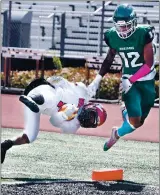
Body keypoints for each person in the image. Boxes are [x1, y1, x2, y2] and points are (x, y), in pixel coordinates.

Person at [87, 3, 156, 151]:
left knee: (137, 123)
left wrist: (131, 79)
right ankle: (125, 111)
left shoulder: (144, 34)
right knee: (134, 122)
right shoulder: (112, 36)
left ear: (134, 22)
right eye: (120, 26)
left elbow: (148, 64)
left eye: (126, 26)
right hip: (128, 81)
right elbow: (109, 58)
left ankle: (116, 133)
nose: (123, 29)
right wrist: (97, 79)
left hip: (146, 80)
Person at [1, 76, 107, 164]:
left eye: (91, 123)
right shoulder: (83, 93)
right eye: (92, 116)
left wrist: (63, 115)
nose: (88, 120)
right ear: (91, 107)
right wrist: (56, 80)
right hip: (42, 91)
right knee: (53, 100)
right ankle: (32, 98)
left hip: (37, 108)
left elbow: (53, 121)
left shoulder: (73, 126)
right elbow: (63, 83)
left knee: (30, 136)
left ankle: (5, 145)